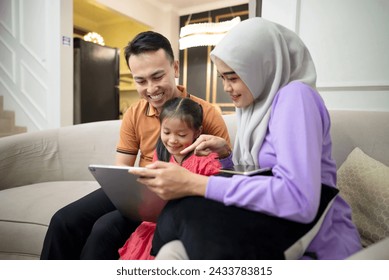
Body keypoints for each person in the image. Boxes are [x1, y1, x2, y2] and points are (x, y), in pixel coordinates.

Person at [130, 18, 362, 260]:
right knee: (177, 225)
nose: (226, 88)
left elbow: (298, 198)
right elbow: (255, 174)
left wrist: (194, 183)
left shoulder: (296, 97)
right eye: (222, 78)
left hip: (315, 233)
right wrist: (226, 156)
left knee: (184, 213)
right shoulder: (254, 108)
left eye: (233, 77)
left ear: (264, 67)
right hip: (273, 219)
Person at [40, 31, 230, 260]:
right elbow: (121, 171)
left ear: (176, 69)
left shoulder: (205, 114)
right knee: (63, 220)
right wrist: (130, 195)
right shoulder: (134, 113)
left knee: (104, 228)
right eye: (141, 81)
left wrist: (225, 152)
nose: (151, 89)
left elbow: (223, 177)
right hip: (137, 191)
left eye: (158, 77)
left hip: (178, 196)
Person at [118, 97, 222, 260]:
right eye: (166, 132)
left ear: (197, 132)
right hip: (155, 222)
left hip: (186, 226)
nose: (172, 140)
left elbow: (210, 200)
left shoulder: (206, 160)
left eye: (181, 134)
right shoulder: (160, 154)